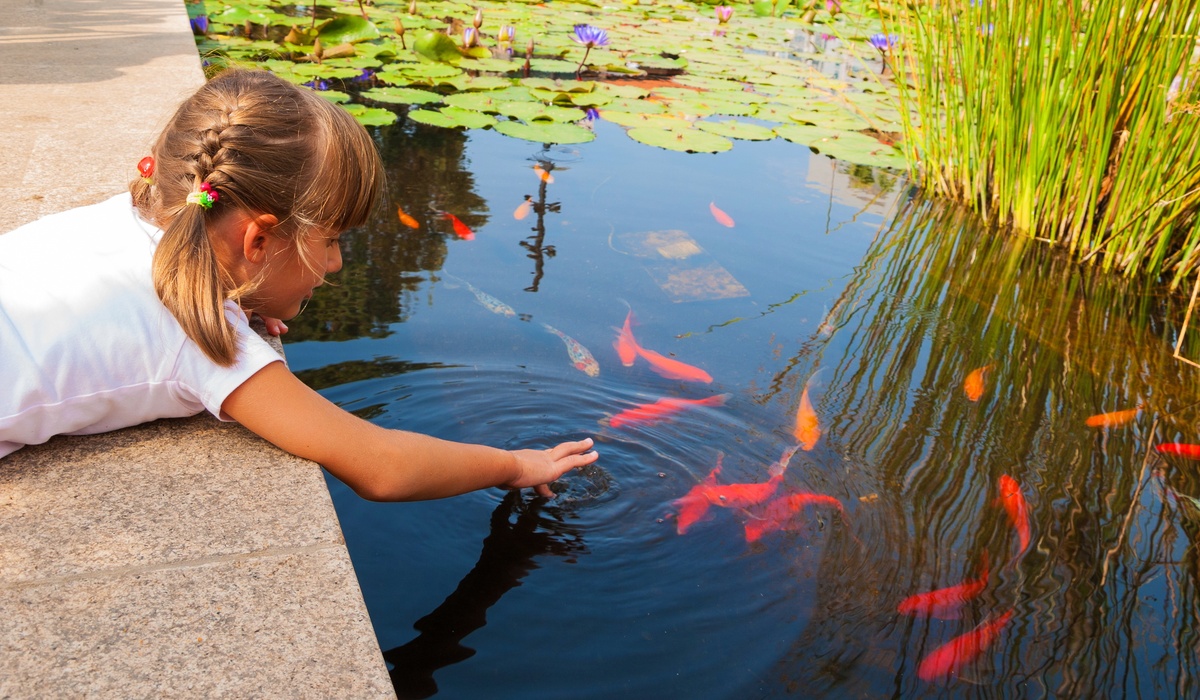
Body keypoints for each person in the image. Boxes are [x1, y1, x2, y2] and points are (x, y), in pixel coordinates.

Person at [0, 68, 598, 500]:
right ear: (258, 242)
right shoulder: (204, 340)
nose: (336, 265)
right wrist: (514, 465)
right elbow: (382, 465)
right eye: (332, 240)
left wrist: (247, 294)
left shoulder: (122, 215)